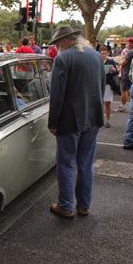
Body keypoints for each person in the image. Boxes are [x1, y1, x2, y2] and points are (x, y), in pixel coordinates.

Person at [47, 25, 105, 218]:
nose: (56, 46)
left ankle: (65, 206)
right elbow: (101, 86)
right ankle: (84, 205)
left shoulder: (63, 58)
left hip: (69, 120)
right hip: (93, 117)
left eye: (57, 43)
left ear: (65, 40)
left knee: (66, 163)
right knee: (85, 163)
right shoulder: (96, 56)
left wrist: (53, 122)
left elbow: (57, 94)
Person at [117, 37, 133, 112]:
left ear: (132, 43)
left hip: (126, 73)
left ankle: (123, 106)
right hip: (132, 73)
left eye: (128, 43)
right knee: (129, 90)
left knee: (124, 90)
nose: (127, 44)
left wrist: (119, 62)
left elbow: (124, 63)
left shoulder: (131, 52)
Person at [99, 45, 119, 128]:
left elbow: (117, 72)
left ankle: (107, 120)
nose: (103, 55)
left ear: (107, 53)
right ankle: (99, 120)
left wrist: (113, 71)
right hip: (98, 83)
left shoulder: (111, 61)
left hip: (108, 84)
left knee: (107, 103)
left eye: (105, 53)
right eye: (102, 53)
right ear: (99, 53)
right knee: (99, 103)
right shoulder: (97, 60)